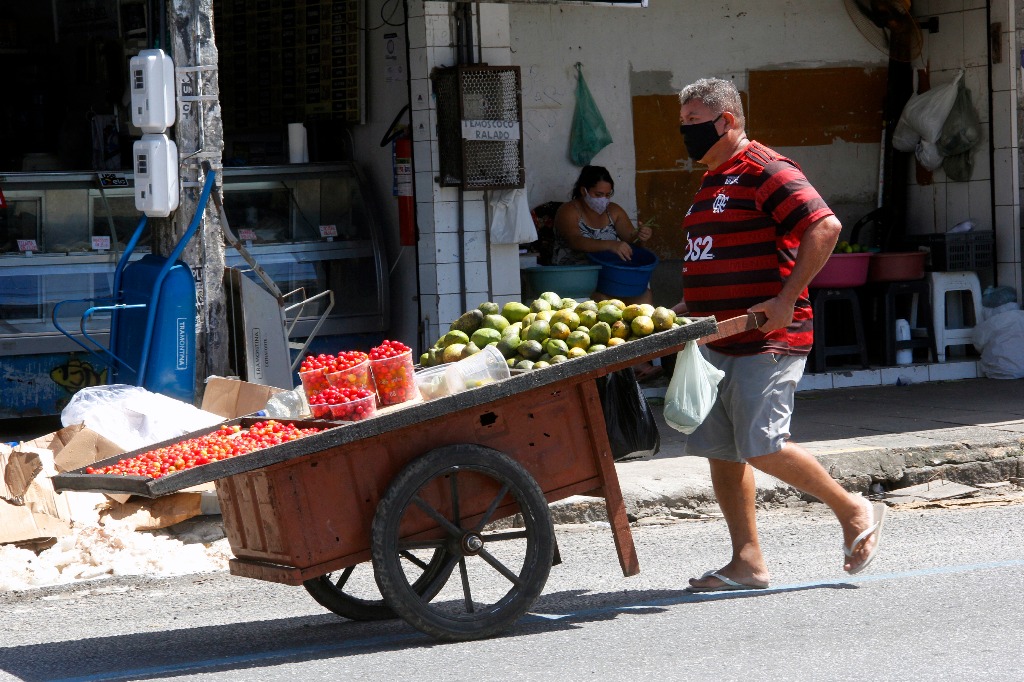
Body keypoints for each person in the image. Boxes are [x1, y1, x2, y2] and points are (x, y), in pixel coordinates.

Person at [672, 77, 887, 592]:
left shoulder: (766, 168)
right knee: (723, 452)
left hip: (767, 338)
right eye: (682, 124)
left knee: (762, 446)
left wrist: (786, 299)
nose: (685, 133)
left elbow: (825, 226)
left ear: (726, 121)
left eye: (694, 123)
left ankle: (853, 509)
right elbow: (713, 257)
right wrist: (685, 309)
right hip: (717, 337)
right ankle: (747, 562)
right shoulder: (711, 181)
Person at [551, 166, 661, 381]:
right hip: (579, 277)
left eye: (608, 194)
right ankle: (629, 365)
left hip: (611, 274)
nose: (603, 199)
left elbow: (630, 238)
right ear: (584, 191)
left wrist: (641, 235)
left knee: (643, 297)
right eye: (598, 194)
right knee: (605, 302)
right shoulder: (569, 211)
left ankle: (642, 357)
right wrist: (610, 245)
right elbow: (576, 241)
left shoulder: (614, 211)